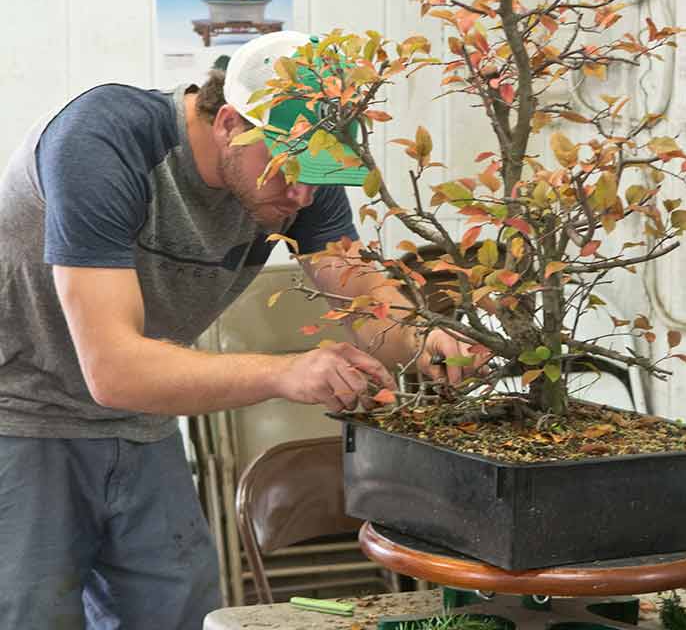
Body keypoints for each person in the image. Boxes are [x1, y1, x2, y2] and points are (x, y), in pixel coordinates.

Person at [0, 30, 469, 629]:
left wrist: (428, 340)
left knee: (181, 614)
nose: (302, 192)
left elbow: (362, 294)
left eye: (319, 172)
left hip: (142, 424)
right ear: (227, 123)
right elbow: (113, 369)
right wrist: (285, 371)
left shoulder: (303, 186)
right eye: (286, 167)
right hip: (22, 415)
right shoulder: (102, 140)